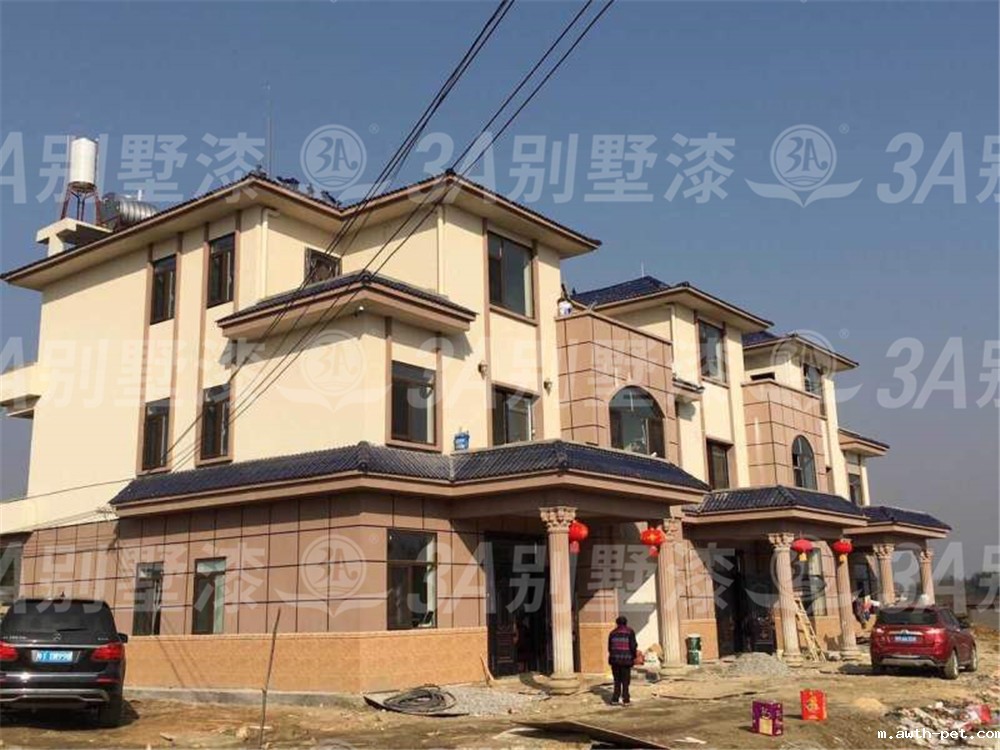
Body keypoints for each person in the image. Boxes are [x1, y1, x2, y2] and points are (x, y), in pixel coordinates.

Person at [607, 615, 638, 706]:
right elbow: (633, 646)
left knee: (617, 680)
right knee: (625, 681)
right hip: (626, 660)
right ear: (626, 623)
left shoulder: (612, 633)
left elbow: (609, 648)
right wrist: (634, 656)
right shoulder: (630, 632)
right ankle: (626, 700)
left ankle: (615, 699)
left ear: (617, 623)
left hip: (615, 660)